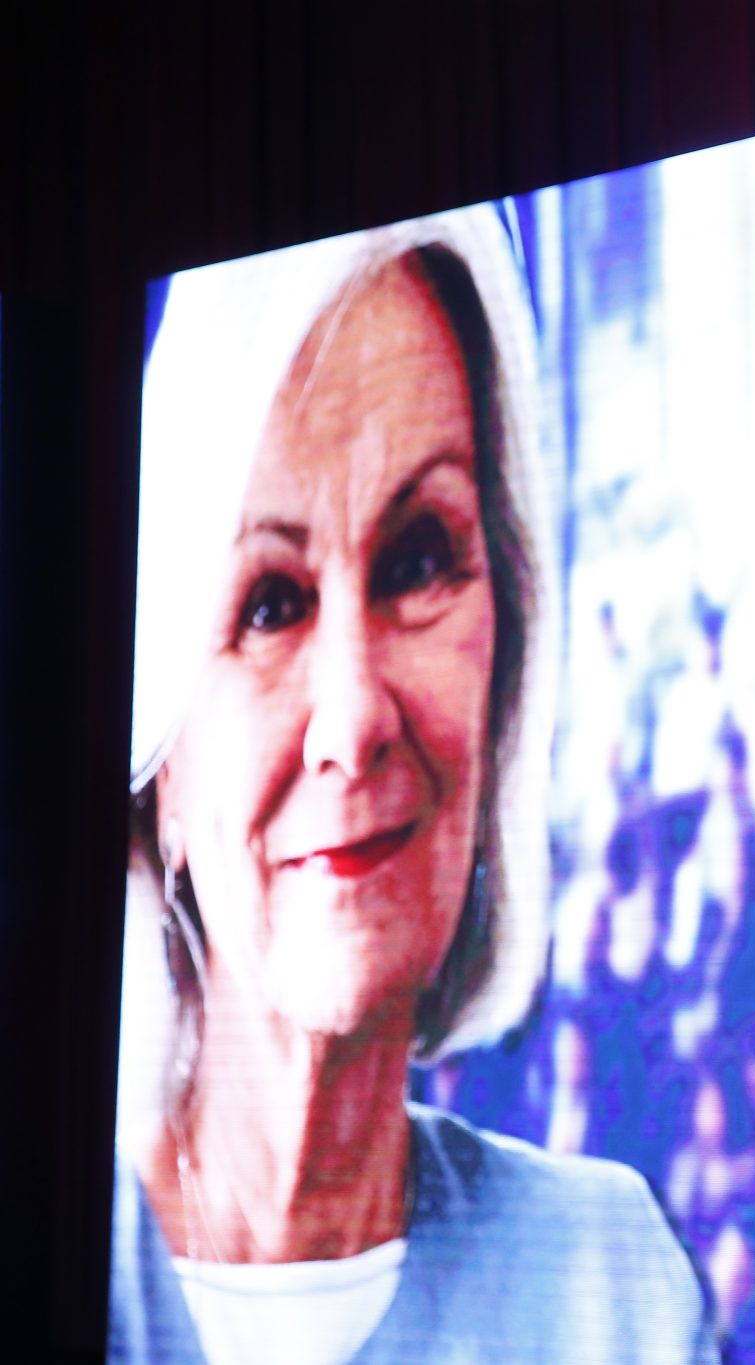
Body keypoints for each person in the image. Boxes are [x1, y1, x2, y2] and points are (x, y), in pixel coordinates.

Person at [111, 207, 717, 1364]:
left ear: (508, 656)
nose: (354, 720)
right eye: (271, 605)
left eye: (418, 562)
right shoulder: (49, 1251)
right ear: (162, 770)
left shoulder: (605, 1280)